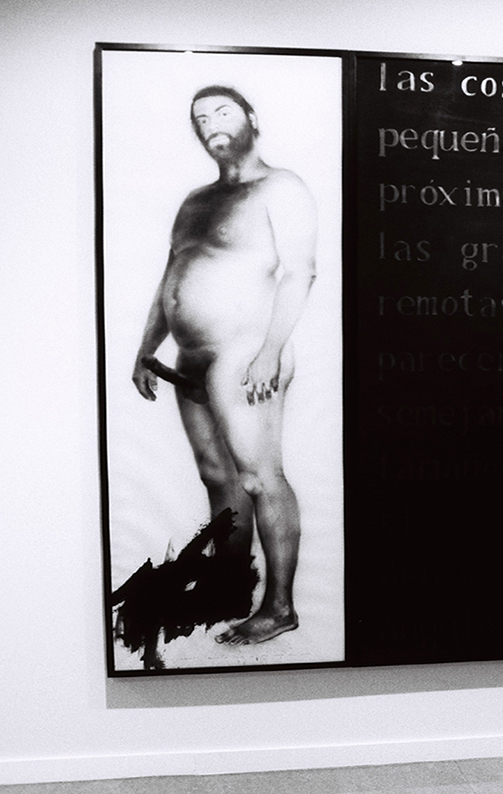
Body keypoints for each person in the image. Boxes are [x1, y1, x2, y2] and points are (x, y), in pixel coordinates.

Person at [131, 85, 317, 646]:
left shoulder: (280, 187)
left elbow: (299, 272)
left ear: (251, 119)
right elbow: (170, 276)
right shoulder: (195, 200)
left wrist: (270, 351)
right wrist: (146, 348)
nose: (210, 122)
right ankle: (231, 588)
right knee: (217, 477)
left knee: (259, 477)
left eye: (222, 111)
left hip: (245, 352)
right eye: (200, 117)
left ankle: (280, 607)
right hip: (189, 356)